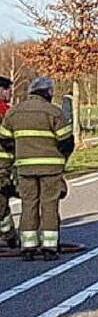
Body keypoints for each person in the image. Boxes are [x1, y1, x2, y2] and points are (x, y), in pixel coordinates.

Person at [0, 77, 75, 260]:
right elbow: (67, 142)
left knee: (29, 205)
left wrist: (19, 153)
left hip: (25, 169)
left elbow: (4, 139)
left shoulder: (14, 113)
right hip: (51, 169)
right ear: (48, 93)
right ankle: (49, 248)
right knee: (49, 205)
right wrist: (60, 158)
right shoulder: (54, 113)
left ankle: (28, 247)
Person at [0, 75, 17, 248]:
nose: (9, 94)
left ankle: (9, 234)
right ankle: (9, 236)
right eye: (7, 90)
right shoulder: (5, 111)